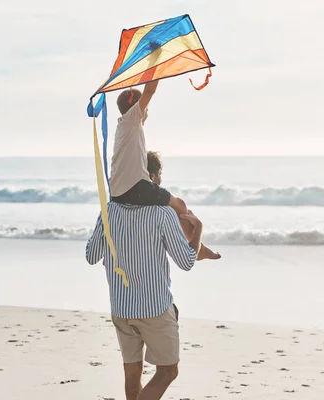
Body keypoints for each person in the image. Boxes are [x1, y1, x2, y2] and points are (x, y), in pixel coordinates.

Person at [86, 201, 204, 400]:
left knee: (132, 376)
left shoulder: (109, 210)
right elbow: (186, 261)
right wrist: (198, 228)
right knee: (168, 371)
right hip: (155, 309)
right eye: (159, 175)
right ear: (152, 177)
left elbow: (91, 256)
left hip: (121, 307)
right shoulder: (163, 213)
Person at [109, 80, 220, 260]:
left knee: (175, 206)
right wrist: (156, 63)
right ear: (138, 107)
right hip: (136, 188)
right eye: (145, 108)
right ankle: (197, 248)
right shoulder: (131, 120)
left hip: (117, 193)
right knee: (180, 206)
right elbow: (150, 90)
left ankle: (198, 246)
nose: (146, 113)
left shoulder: (124, 128)